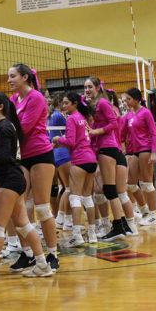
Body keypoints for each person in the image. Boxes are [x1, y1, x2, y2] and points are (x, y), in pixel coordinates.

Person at [0, 92, 53, 282]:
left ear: (0, 106)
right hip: (12, 179)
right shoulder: (1, 128)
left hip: (10, 180)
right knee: (24, 225)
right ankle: (42, 264)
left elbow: (5, 156)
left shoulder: (5, 128)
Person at [4, 64, 59, 272]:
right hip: (21, 157)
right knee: (18, 207)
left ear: (25, 77)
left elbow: (22, 128)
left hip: (40, 155)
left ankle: (53, 254)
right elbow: (2, 125)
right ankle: (28, 254)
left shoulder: (36, 97)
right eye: (8, 76)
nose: (9, 80)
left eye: (13, 76)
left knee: (42, 207)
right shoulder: (11, 101)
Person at [84, 77, 136, 240]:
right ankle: (125, 225)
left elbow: (113, 124)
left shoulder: (103, 103)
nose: (87, 90)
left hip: (108, 147)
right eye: (85, 87)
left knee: (111, 190)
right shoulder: (96, 105)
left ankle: (119, 226)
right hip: (108, 147)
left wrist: (95, 132)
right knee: (113, 190)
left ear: (98, 88)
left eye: (90, 87)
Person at [52, 92, 98, 245]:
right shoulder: (83, 118)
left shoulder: (72, 118)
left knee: (75, 197)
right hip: (91, 158)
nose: (63, 106)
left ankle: (77, 235)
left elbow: (71, 142)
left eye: (66, 103)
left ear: (75, 103)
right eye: (63, 103)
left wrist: (58, 139)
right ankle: (92, 234)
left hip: (79, 159)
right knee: (87, 197)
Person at [121, 87, 156, 226]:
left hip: (146, 149)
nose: (126, 102)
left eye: (128, 99)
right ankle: (144, 211)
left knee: (147, 183)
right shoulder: (130, 115)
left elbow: (154, 133)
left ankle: (153, 216)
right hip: (135, 151)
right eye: (125, 99)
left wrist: (153, 152)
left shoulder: (146, 113)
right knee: (130, 184)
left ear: (136, 99)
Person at [48, 92, 72, 234]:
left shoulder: (60, 115)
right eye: (64, 102)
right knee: (69, 188)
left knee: (66, 188)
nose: (66, 104)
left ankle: (62, 218)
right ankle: (62, 219)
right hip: (61, 153)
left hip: (61, 152)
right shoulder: (57, 116)